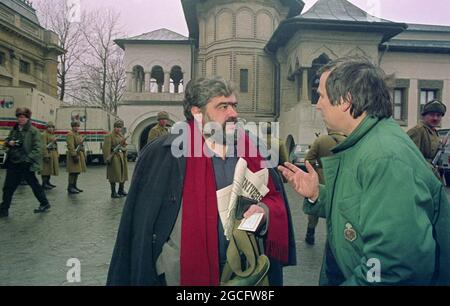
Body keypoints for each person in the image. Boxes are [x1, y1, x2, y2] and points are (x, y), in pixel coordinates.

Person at [107, 77, 296, 286]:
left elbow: (273, 198)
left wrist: (265, 211)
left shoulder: (253, 148)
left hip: (244, 270)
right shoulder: (163, 153)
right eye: (223, 106)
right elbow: (139, 226)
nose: (233, 113)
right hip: (180, 274)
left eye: (234, 105)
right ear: (197, 113)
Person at [278, 57, 450, 285]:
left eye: (320, 95)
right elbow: (360, 205)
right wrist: (317, 194)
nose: (317, 104)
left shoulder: (384, 156)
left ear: (346, 100)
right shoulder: (365, 142)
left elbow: (393, 269)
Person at [0, 108, 51, 218]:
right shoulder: (14, 130)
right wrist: (9, 143)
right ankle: (4, 209)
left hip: (25, 164)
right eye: (19, 117)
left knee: (34, 185)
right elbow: (6, 142)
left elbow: (38, 148)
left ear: (28, 118)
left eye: (23, 117)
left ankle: (45, 203)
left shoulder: (33, 131)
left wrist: (28, 160)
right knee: (8, 187)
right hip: (13, 162)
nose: (21, 119)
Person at [303, 130, 346, 245]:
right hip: (340, 178)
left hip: (321, 176)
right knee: (335, 208)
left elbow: (308, 159)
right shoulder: (348, 141)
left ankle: (310, 233)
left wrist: (315, 171)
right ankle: (334, 237)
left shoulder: (321, 140)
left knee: (315, 205)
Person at [407, 99, 446, 179]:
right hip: (419, 175)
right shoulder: (418, 130)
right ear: (424, 115)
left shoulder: (434, 132)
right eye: (432, 115)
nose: (435, 118)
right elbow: (410, 156)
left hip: (430, 174)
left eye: (438, 115)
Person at [103, 120, 128, 198]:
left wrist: (124, 148)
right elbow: (106, 148)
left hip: (121, 156)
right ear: (114, 127)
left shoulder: (121, 135)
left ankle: (121, 190)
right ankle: (113, 192)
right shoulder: (109, 136)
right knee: (114, 175)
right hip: (114, 157)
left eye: (120, 127)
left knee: (123, 174)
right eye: (117, 127)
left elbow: (124, 146)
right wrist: (108, 158)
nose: (118, 129)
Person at [66, 121, 86, 194]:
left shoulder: (77, 134)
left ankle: (74, 186)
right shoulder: (70, 134)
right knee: (72, 172)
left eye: (78, 126)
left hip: (78, 154)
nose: (77, 127)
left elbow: (80, 144)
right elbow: (70, 146)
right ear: (72, 126)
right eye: (75, 126)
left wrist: (83, 150)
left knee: (77, 171)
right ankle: (70, 187)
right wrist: (74, 155)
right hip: (73, 155)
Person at [41, 122, 59, 190]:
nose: (51, 128)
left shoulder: (52, 135)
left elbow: (55, 145)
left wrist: (57, 153)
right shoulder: (44, 135)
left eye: (52, 127)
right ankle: (44, 183)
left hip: (53, 152)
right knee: (45, 169)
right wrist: (46, 155)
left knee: (50, 169)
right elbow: (43, 146)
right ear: (46, 128)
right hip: (48, 152)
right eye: (49, 127)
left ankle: (48, 182)